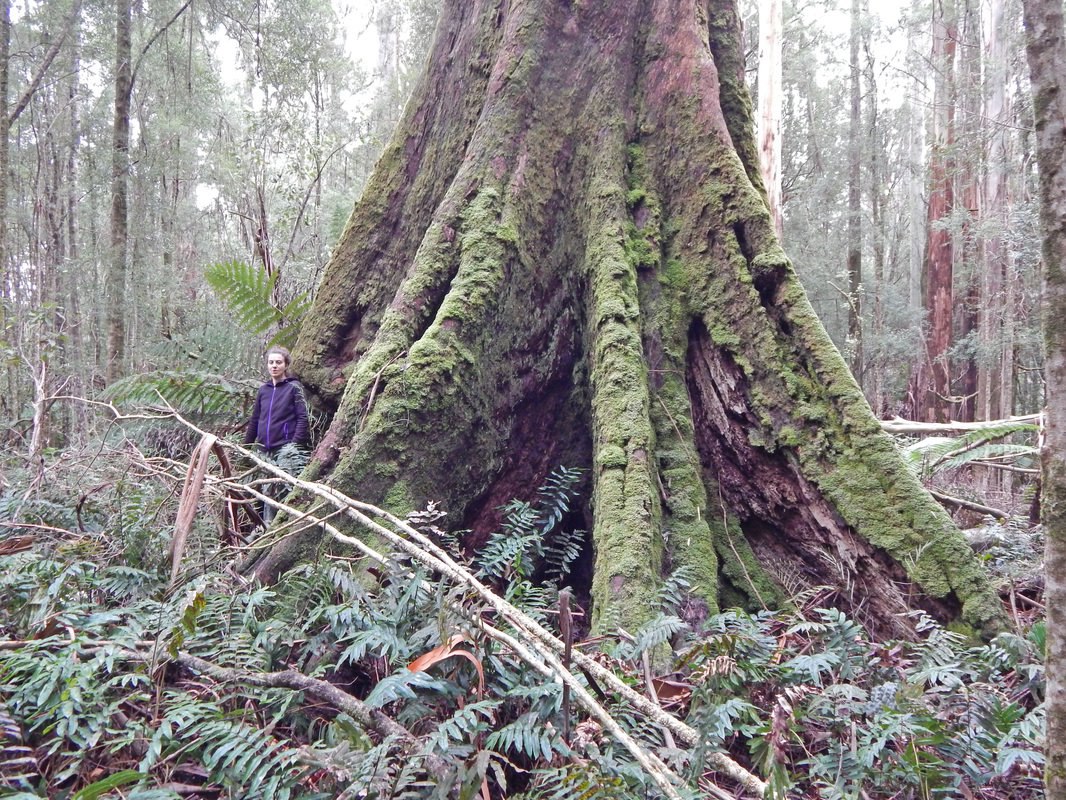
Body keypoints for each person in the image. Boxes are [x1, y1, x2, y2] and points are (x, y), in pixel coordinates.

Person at [244, 346, 309, 523]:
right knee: (266, 489)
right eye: (271, 362)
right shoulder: (263, 390)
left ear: (286, 364)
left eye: (278, 362)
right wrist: (246, 447)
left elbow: (303, 418)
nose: (274, 366)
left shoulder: (293, 388)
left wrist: (294, 445)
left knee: (285, 487)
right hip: (264, 448)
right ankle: (268, 527)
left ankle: (288, 523)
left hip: (285, 447)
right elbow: (255, 419)